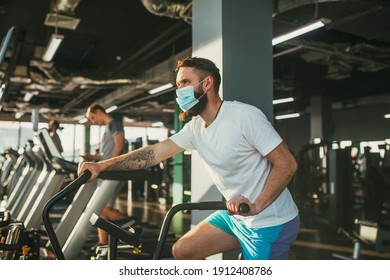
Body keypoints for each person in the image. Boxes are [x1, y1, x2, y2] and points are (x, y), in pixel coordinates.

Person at [78, 57, 300, 260]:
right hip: (236, 218)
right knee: (183, 251)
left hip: (269, 221)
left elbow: (287, 163)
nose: (179, 90)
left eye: (185, 82)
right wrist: (100, 165)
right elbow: (153, 154)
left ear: (207, 83)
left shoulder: (243, 116)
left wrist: (256, 205)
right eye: (178, 85)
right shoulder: (194, 129)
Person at [84, 104, 129, 245]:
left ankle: (133, 226)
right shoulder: (108, 127)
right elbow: (107, 151)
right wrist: (95, 157)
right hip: (106, 172)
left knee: (102, 208)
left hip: (112, 172)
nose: (93, 121)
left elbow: (120, 145)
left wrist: (108, 164)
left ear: (98, 111)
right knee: (101, 208)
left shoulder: (114, 124)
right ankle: (102, 242)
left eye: (92, 117)